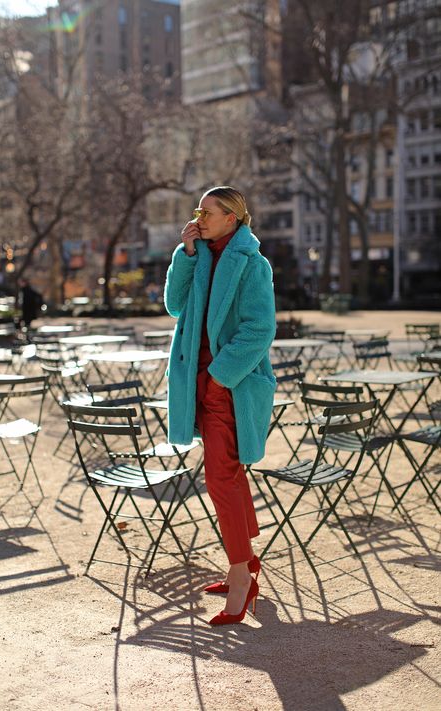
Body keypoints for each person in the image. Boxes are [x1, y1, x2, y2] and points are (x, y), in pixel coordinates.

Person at [164, 186, 276, 626]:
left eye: (206, 212)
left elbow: (259, 329)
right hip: (200, 382)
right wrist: (186, 254)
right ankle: (247, 563)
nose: (199, 218)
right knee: (227, 474)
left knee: (219, 478)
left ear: (232, 216)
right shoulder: (202, 256)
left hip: (230, 384)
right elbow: (175, 306)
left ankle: (239, 574)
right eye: (198, 212)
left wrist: (219, 376)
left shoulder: (252, 263)